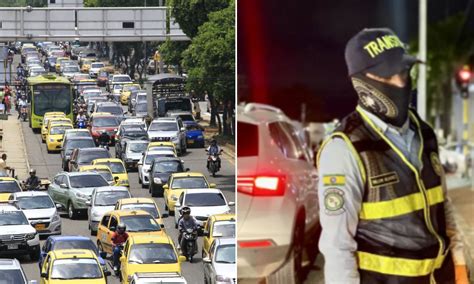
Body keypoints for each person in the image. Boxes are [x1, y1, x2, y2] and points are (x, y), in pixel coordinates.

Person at [317, 28, 467, 284]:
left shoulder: (424, 133)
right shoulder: (345, 149)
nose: (401, 81)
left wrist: (461, 267)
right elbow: (337, 246)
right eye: (390, 74)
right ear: (363, 81)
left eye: (404, 71)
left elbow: (442, 206)